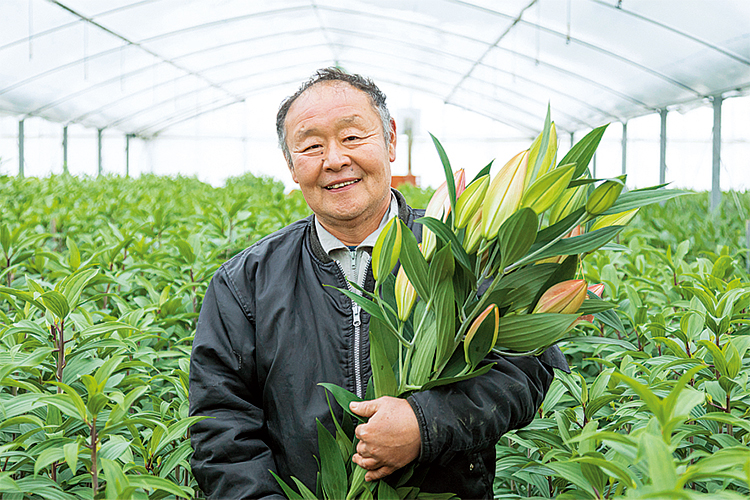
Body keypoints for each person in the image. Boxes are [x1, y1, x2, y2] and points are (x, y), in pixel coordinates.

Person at [189, 67, 569, 499]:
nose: (334, 159)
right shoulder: (245, 283)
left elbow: (525, 370)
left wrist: (423, 424)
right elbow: (221, 424)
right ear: (292, 166)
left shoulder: (468, 252)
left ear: (390, 141)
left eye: (352, 137)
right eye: (312, 146)